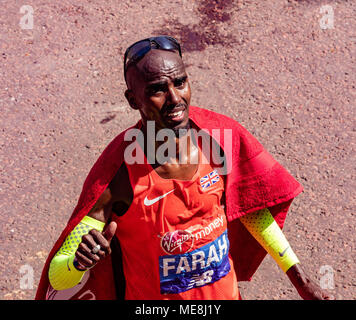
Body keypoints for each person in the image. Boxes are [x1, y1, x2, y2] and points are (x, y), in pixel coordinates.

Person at [36, 36, 332, 300]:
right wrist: (77, 262)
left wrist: (300, 279)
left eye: (179, 82)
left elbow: (250, 209)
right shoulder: (119, 175)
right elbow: (58, 276)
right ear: (132, 99)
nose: (175, 98)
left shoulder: (219, 141)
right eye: (157, 89)